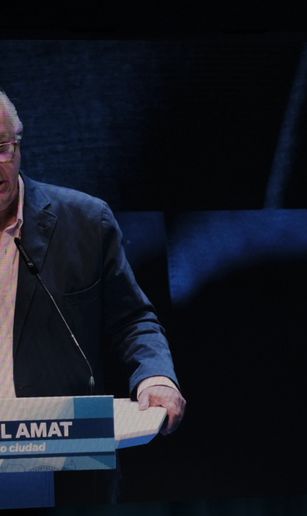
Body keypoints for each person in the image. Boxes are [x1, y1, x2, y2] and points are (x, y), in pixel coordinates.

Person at [0, 89, 185, 430]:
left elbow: (132, 320)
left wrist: (155, 376)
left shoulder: (85, 221)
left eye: (2, 149)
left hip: (65, 452)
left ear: (19, 146)